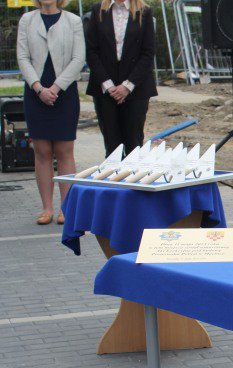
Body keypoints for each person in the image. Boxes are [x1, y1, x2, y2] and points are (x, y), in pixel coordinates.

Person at [16, 0, 84, 225]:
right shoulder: (27, 20)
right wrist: (38, 88)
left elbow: (78, 59)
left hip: (63, 91)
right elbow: (22, 57)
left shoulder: (73, 21)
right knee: (42, 151)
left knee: (64, 150)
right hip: (35, 92)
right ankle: (46, 208)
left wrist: (55, 88)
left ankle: (67, 207)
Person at [84, 0, 157, 157]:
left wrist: (127, 86)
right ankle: (113, 172)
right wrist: (108, 85)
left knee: (134, 145)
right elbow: (91, 50)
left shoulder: (144, 11)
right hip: (105, 89)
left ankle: (132, 173)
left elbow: (148, 52)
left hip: (136, 88)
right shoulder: (98, 10)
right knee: (112, 147)